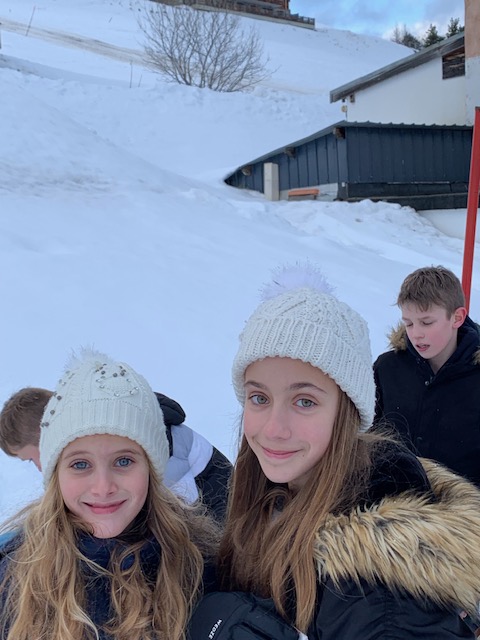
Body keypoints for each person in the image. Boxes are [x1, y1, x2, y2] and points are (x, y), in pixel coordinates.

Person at [191, 264, 480, 640]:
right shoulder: (278, 490)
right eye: (259, 397)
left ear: (347, 413)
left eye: (305, 401)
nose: (274, 429)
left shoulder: (377, 590)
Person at [0, 349, 219, 640]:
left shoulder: (200, 562)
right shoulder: (15, 578)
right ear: (56, 474)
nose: (103, 487)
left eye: (123, 461)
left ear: (152, 468)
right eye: (80, 464)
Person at [0, 385, 232, 522]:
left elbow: (178, 509)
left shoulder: (145, 438)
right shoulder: (103, 429)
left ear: (47, 436)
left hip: (220, 506)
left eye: (32, 459)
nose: (39, 468)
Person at [373, 265, 480, 487]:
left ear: (457, 317)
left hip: (463, 505)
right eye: (408, 323)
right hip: (390, 500)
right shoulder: (387, 368)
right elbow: (369, 437)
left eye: (427, 322)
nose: (416, 334)